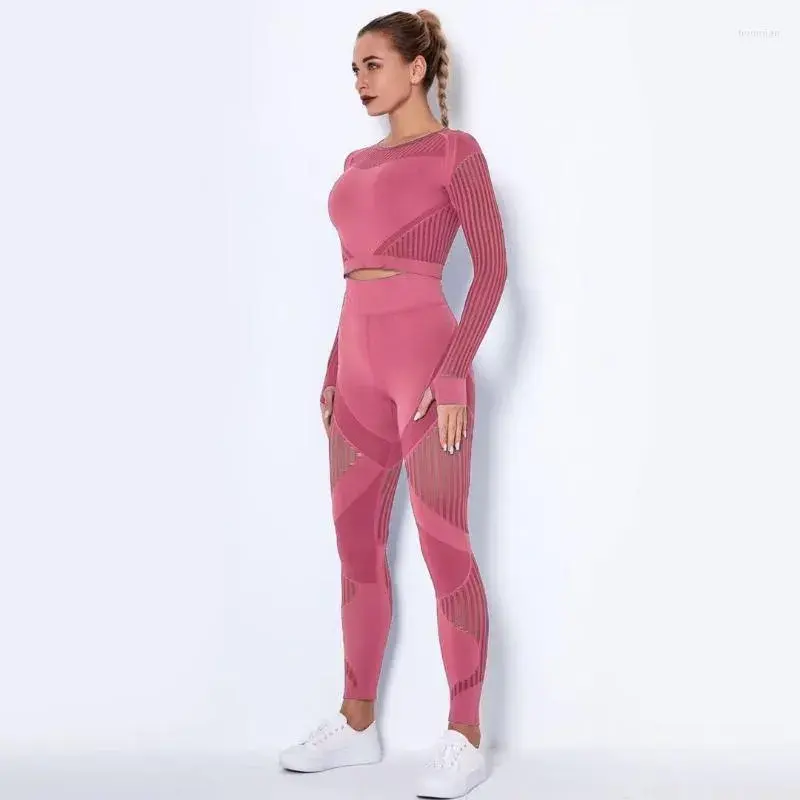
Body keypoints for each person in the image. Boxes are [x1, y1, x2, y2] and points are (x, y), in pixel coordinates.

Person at [279, 9, 508, 798]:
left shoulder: (455, 152)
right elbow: (354, 277)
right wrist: (331, 368)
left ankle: (465, 734)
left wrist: (453, 375)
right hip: (356, 373)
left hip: (428, 374)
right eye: (353, 68)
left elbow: (491, 273)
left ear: (415, 68)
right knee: (355, 550)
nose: (360, 81)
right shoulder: (355, 161)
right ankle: (356, 723)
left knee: (447, 552)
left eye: (372, 64)